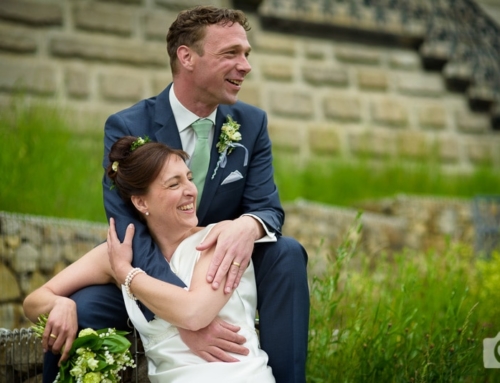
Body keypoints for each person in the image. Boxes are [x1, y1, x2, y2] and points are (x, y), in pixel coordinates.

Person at [44, 5, 309, 383]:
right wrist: (182, 312)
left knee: (286, 253)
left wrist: (247, 226)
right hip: (152, 265)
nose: (246, 65)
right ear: (187, 57)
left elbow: (267, 208)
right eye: (231, 53)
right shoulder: (129, 125)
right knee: (77, 309)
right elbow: (126, 226)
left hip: (219, 268)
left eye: (246, 54)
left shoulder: (251, 123)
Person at [24, 136, 276, 382]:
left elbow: (194, 313)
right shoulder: (121, 253)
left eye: (189, 178)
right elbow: (34, 301)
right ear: (141, 202)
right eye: (174, 184)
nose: (190, 190)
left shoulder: (218, 238)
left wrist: (126, 275)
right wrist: (61, 305)